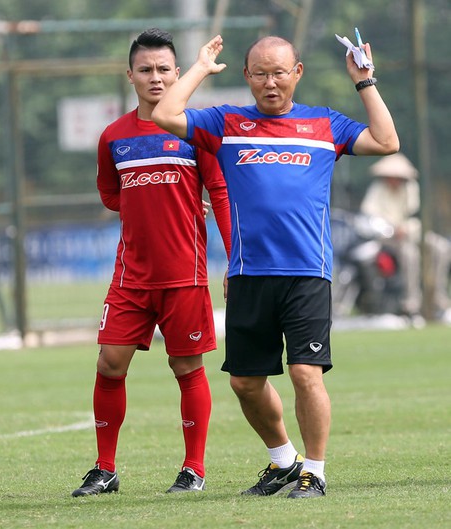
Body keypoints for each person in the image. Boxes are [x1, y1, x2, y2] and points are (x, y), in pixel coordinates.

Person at [153, 34, 399, 498]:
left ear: (297, 73)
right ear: (247, 76)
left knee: (306, 373)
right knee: (246, 383)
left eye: (280, 72)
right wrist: (201, 68)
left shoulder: (324, 123)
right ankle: (283, 459)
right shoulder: (225, 122)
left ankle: (315, 471)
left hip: (307, 272)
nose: (271, 83)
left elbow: (387, 141)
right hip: (249, 274)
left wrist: (365, 82)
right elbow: (164, 114)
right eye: (260, 73)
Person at [71, 28, 231, 497]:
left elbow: (219, 193)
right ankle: (104, 469)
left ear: (178, 73)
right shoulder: (114, 137)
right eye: (146, 70)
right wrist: (158, 195)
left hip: (186, 274)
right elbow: (109, 194)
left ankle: (193, 469)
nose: (155, 78)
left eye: (164, 69)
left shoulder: (194, 131)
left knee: (186, 368)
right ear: (130, 76)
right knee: (109, 363)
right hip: (130, 276)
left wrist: (235, 258)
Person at [361, 152, 451, 322]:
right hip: (386, 236)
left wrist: (404, 227)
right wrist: (392, 227)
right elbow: (370, 214)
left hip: (410, 231)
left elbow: (411, 214)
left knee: (442, 248)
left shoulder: (411, 187)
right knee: (410, 255)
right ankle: (411, 305)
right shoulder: (377, 189)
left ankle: (439, 300)